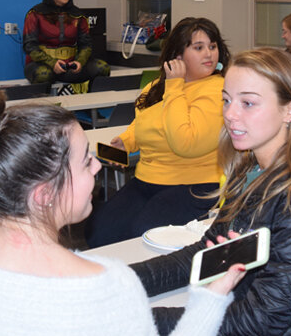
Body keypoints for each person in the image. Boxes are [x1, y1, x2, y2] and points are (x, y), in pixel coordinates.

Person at [0, 94, 245, 335]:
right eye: (86, 161)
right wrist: (208, 303)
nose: (97, 169)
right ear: (43, 194)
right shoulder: (108, 289)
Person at [131, 48, 291, 335]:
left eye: (248, 103)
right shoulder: (249, 170)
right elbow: (207, 253)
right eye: (226, 100)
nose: (230, 114)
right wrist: (122, 281)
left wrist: (139, 319)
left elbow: (260, 321)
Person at [84, 17, 231, 248]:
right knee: (100, 231)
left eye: (213, 47)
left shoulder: (218, 89)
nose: (209, 54)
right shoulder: (155, 88)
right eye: (199, 48)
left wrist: (175, 87)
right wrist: (126, 141)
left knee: (143, 236)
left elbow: (186, 143)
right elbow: (144, 123)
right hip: (147, 179)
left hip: (195, 185)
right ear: (178, 55)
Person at [23, 0, 109, 86]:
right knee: (43, 74)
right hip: (43, 65)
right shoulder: (35, 14)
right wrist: (52, 63)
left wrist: (79, 62)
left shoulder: (78, 15)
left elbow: (86, 45)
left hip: (70, 66)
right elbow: (29, 46)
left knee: (102, 68)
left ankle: (93, 102)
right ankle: (45, 104)